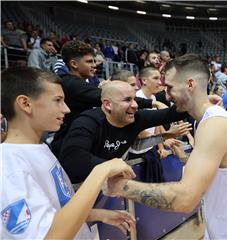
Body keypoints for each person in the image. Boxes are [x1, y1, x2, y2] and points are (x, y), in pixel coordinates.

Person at [102, 54, 227, 239]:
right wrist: (185, 158)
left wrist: (122, 187)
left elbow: (185, 199)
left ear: (190, 84)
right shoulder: (207, 120)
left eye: (170, 87)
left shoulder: (214, 124)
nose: (166, 95)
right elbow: (219, 167)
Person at [1, 67, 136, 239]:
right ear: (25, 104)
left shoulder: (38, 148)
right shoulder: (8, 167)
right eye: (58, 100)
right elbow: (48, 236)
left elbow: (54, 211)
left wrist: (98, 214)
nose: (66, 109)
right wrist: (100, 171)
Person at [58, 81, 192, 183]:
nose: (135, 105)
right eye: (127, 100)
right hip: (77, 186)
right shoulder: (87, 122)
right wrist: (112, 166)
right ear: (107, 104)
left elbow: (171, 114)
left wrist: (200, 101)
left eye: (134, 99)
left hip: (106, 184)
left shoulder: (136, 118)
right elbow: (73, 160)